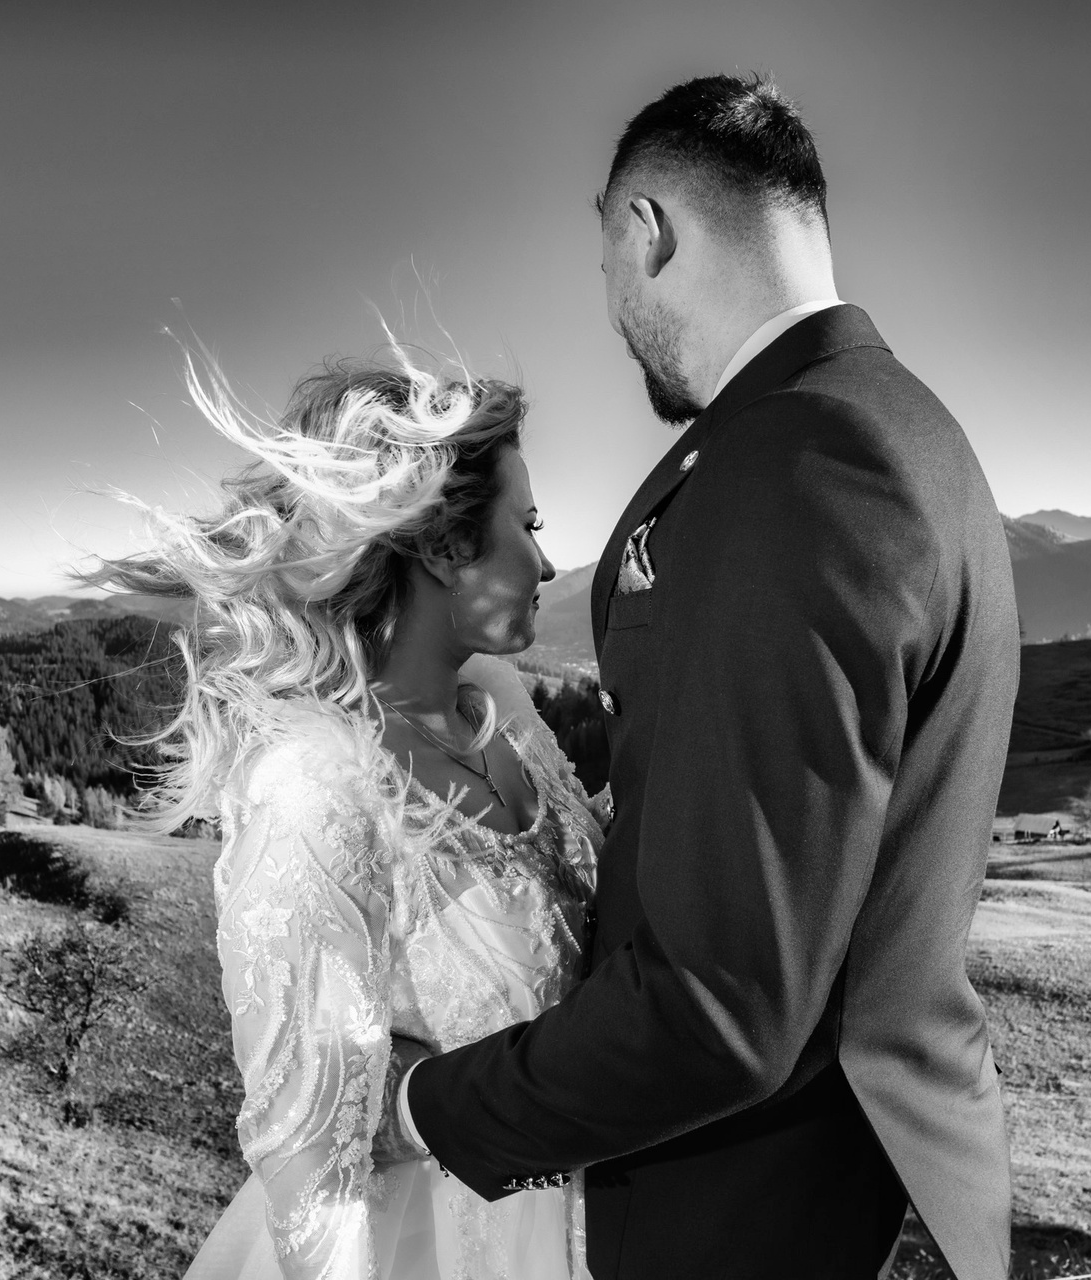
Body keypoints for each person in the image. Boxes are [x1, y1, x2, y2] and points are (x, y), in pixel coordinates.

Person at [386, 75, 1020, 1280]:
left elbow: (723, 1001)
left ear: (646, 230)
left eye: (605, 271)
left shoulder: (796, 464)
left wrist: (423, 1107)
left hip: (752, 1209)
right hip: (839, 1181)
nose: (614, 317)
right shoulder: (907, 429)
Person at [107, 354, 604, 1280]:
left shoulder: (504, 706)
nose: (545, 561)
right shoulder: (316, 785)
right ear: (442, 545)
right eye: (528, 525)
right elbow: (309, 1163)